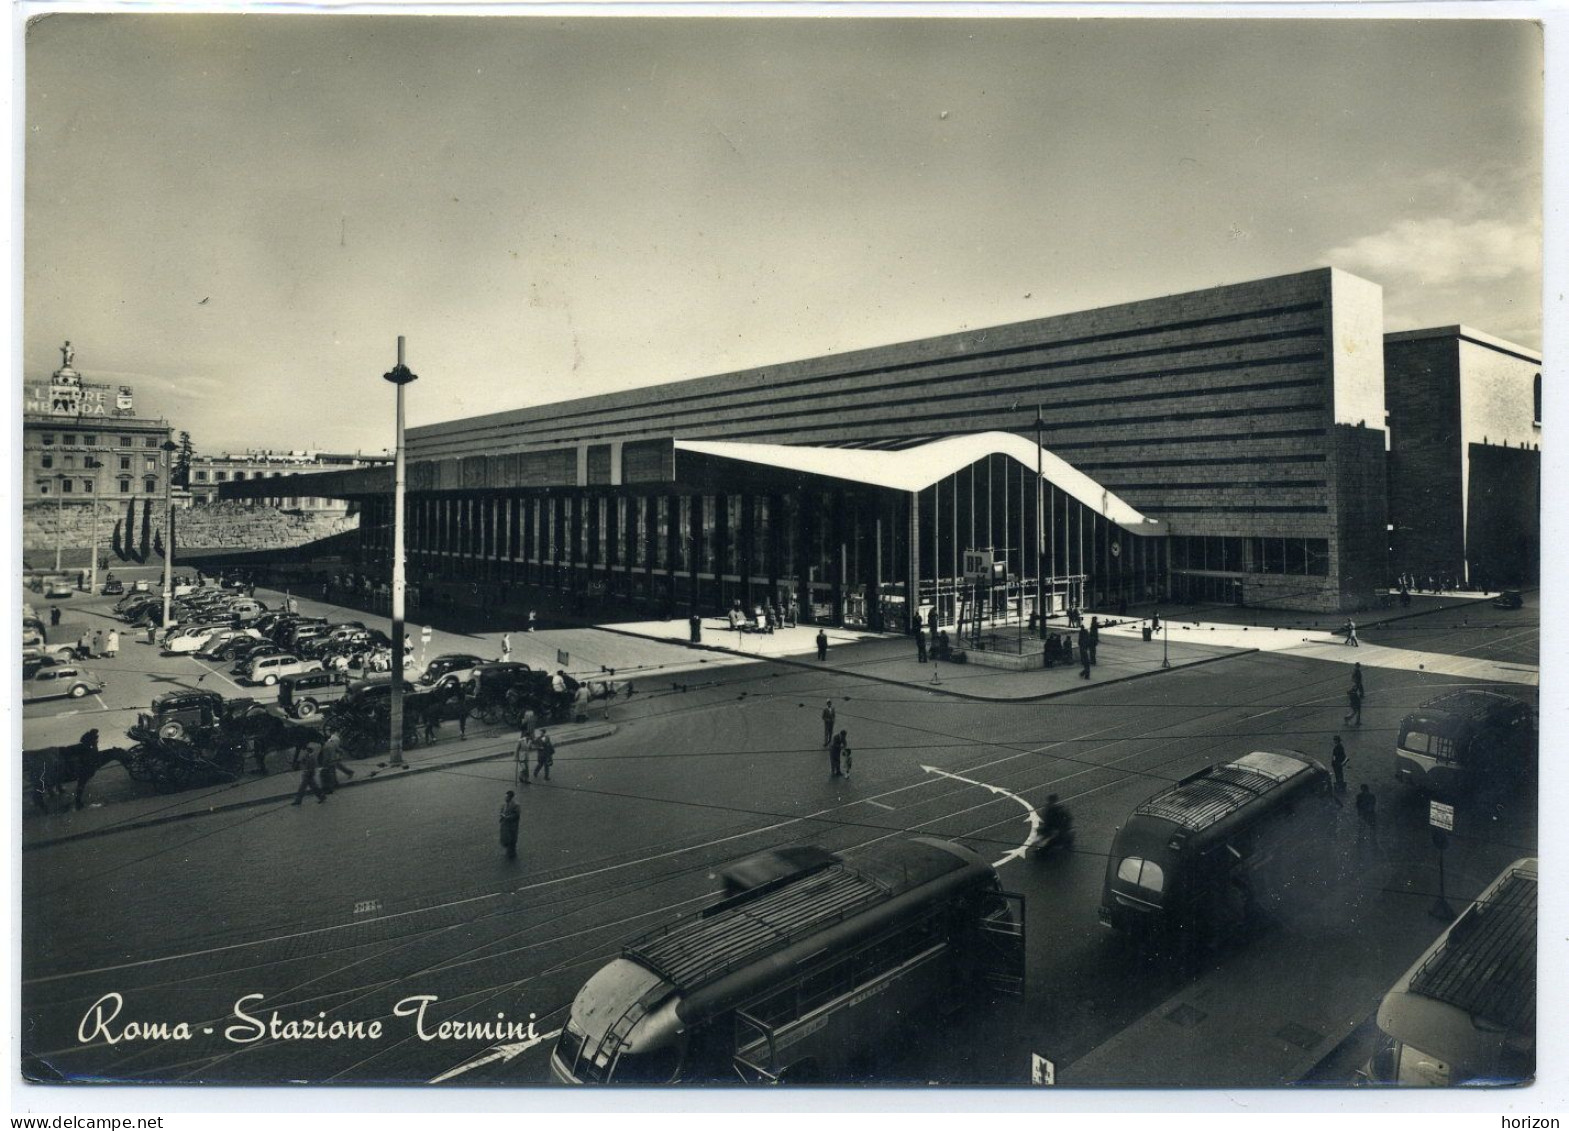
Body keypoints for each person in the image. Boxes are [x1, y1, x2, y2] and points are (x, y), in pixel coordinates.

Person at [499, 791, 521, 860]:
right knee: (506, 839)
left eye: (506, 797)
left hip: (512, 826)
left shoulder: (516, 805)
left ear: (510, 797)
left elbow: (516, 815)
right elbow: (502, 811)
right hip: (505, 825)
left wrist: (508, 817)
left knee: (512, 840)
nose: (505, 798)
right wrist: (502, 815)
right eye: (505, 796)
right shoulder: (504, 804)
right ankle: (509, 850)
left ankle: (512, 853)